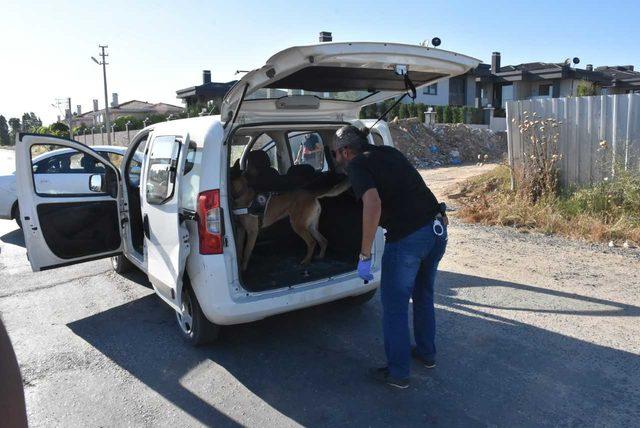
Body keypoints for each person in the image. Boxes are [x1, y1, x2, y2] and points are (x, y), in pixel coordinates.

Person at [332, 125, 448, 389]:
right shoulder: (389, 153)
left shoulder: (357, 165)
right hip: (436, 230)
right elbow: (417, 186)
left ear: (346, 151)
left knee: (394, 307)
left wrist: (364, 254)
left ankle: (398, 374)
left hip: (408, 240)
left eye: (335, 153)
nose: (335, 159)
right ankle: (427, 353)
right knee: (423, 295)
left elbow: (372, 204)